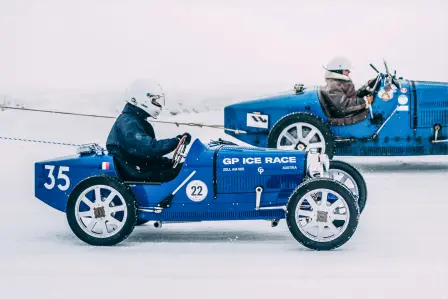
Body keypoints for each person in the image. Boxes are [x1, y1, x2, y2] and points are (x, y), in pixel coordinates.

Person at [106, 78, 191, 182]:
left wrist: (166, 162)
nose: (157, 103)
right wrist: (176, 141)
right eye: (154, 100)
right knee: (185, 171)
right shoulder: (129, 122)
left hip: (140, 166)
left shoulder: (136, 120)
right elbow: (149, 148)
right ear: (142, 99)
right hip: (137, 172)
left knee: (184, 167)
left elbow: (147, 156)